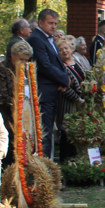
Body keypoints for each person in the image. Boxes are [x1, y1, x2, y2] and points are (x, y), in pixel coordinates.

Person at [27, 8, 70, 159]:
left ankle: (48, 163)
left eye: (55, 24)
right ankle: (44, 166)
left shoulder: (47, 39)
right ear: (40, 23)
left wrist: (62, 80)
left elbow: (57, 63)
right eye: (50, 23)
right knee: (44, 132)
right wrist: (65, 79)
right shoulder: (36, 39)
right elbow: (45, 66)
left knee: (48, 130)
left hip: (52, 91)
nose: (53, 26)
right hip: (44, 93)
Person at [0, 40, 34, 168]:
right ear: (12, 55)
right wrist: (17, 106)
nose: (24, 63)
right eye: (21, 59)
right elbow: (1, 94)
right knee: (10, 146)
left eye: (26, 60)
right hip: (8, 114)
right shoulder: (1, 69)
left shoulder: (27, 69)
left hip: (24, 114)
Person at [56, 39, 85, 162]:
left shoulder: (76, 62)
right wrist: (77, 99)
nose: (64, 51)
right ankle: (65, 161)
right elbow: (63, 88)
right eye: (61, 50)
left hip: (80, 102)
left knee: (76, 131)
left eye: (66, 48)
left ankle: (75, 159)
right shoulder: (60, 67)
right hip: (68, 103)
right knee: (67, 131)